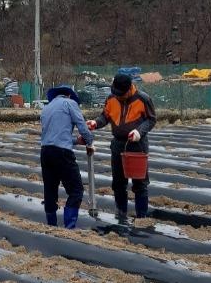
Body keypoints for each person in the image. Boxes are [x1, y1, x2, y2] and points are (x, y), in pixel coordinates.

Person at [87, 73, 156, 222]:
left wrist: (139, 131)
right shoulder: (111, 98)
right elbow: (105, 116)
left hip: (137, 145)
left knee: (140, 183)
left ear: (129, 89)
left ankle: (141, 217)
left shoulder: (143, 99)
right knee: (118, 183)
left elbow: (151, 120)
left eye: (121, 94)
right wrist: (96, 123)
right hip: (118, 145)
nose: (118, 97)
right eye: (116, 93)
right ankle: (121, 216)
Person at [40, 84, 94, 229]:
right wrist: (90, 141)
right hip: (62, 154)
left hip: (45, 152)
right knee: (76, 190)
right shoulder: (70, 103)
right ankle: (69, 228)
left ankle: (51, 226)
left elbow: (54, 135)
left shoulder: (46, 108)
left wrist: (77, 141)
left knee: (50, 190)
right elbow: (81, 125)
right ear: (69, 95)